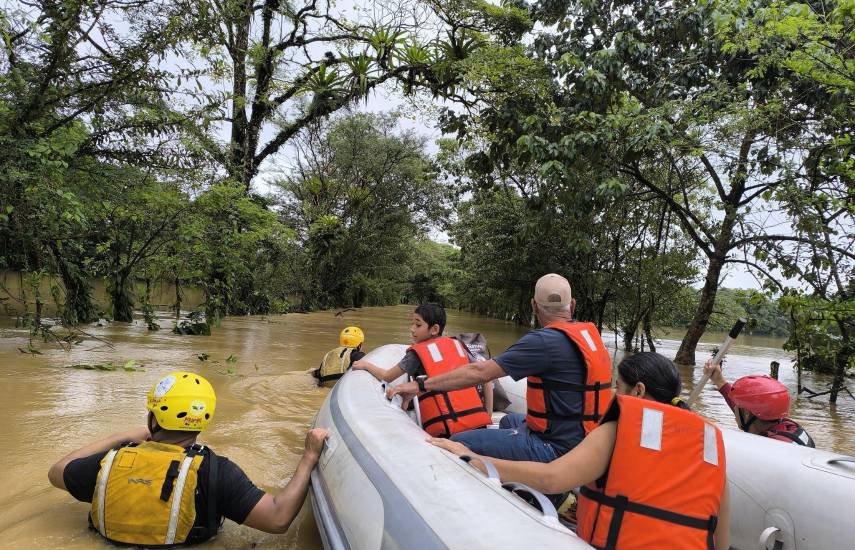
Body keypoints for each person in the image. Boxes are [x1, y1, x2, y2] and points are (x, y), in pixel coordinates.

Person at [431, 352, 731, 550]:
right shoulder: (711, 447)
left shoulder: (621, 430)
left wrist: (473, 458)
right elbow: (720, 541)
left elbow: (551, 479)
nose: (614, 394)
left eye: (619, 386)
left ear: (638, 390)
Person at [48, 372, 329, 546]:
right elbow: (278, 519)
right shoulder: (216, 471)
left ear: (152, 418)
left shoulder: (108, 464)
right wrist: (309, 456)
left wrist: (121, 437)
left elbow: (56, 471)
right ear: (202, 421)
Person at [388, 274, 612, 463]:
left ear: (534, 306)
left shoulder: (542, 342)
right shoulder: (590, 336)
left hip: (554, 448)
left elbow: (480, 373)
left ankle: (539, 489)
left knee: (457, 442)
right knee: (507, 421)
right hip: (585, 440)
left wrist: (421, 385)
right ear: (572, 305)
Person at [353, 303, 493, 437]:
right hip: (480, 425)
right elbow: (486, 379)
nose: (412, 329)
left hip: (448, 433)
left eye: (418, 325)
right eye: (412, 324)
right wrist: (488, 415)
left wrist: (366, 365)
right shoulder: (458, 346)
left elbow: (387, 376)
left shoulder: (416, 354)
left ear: (434, 329)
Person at [703, 361, 815, 447]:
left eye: (737, 406)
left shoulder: (766, 447)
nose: (735, 415)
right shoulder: (787, 425)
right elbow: (746, 414)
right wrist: (719, 380)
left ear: (746, 413)